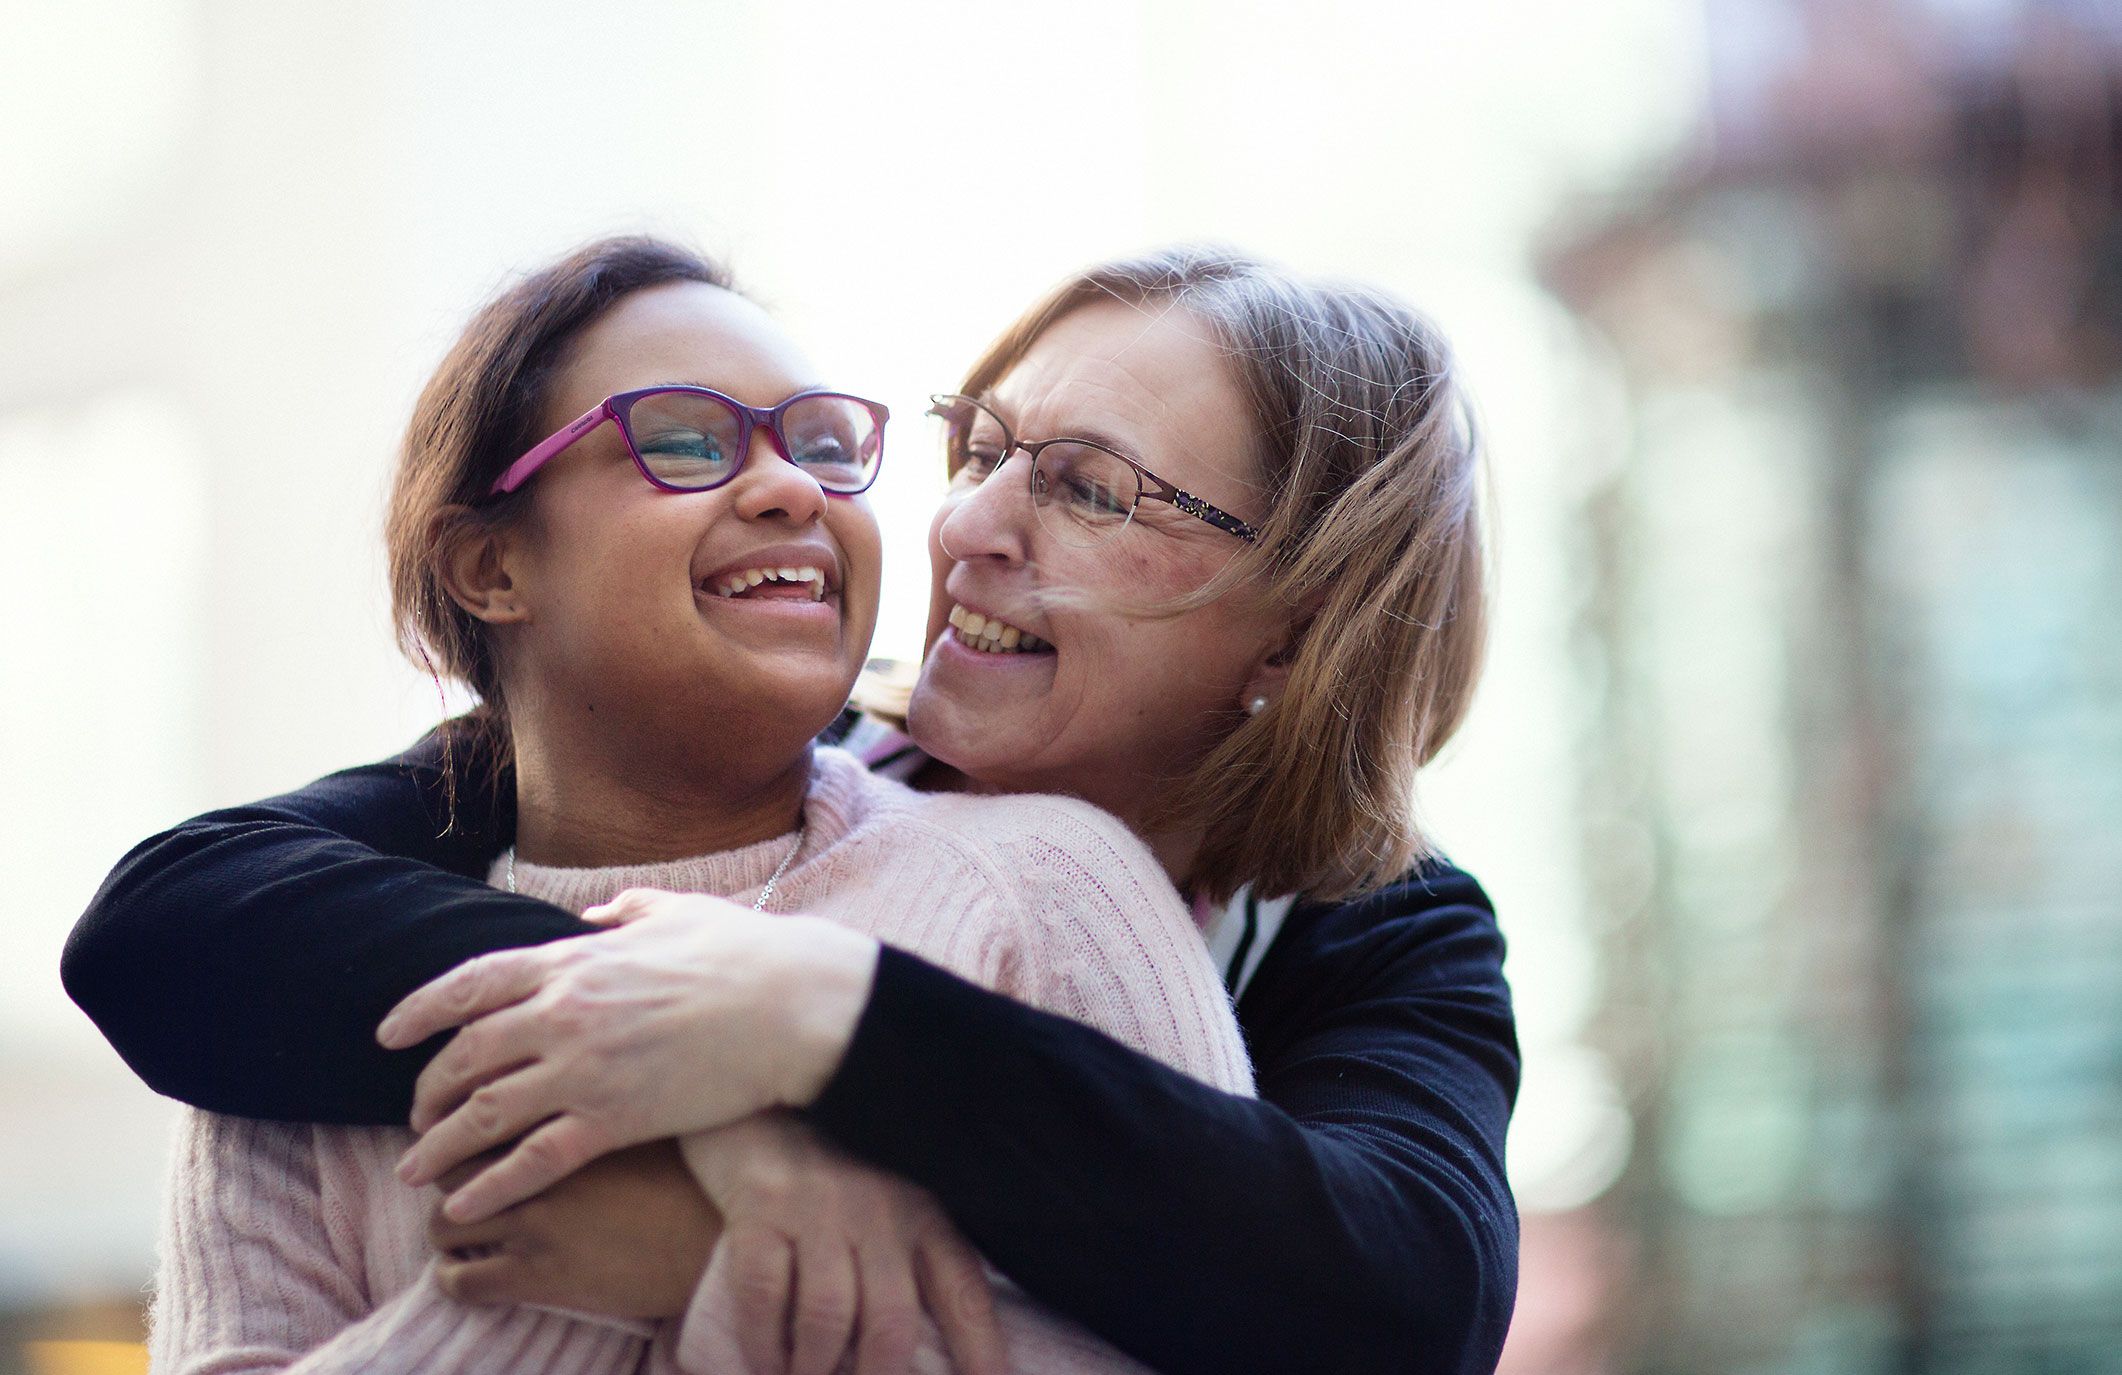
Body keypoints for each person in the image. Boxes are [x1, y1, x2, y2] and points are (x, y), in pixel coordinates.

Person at [66, 243, 1521, 1375]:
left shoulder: (1375, 930)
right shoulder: (720, 744)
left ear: (1291, 638)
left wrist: (824, 1027)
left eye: (1088, 489)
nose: (962, 525)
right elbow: (173, 920)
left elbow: (1404, 1305)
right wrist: (707, 1089)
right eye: (980, 450)